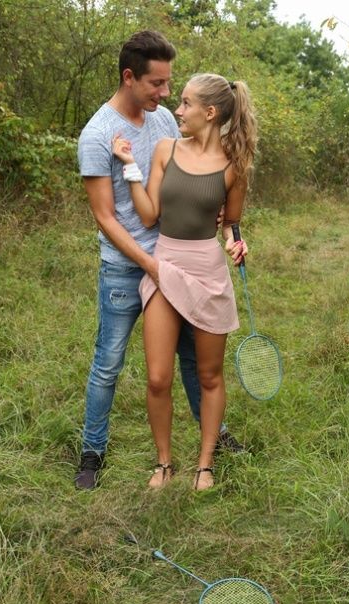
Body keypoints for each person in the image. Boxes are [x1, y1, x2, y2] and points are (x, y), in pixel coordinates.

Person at [75, 31, 246, 491]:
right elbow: (106, 217)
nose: (167, 95)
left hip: (179, 260)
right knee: (110, 362)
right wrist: (151, 266)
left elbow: (192, 178)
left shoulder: (165, 122)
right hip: (128, 266)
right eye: (158, 83)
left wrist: (218, 219)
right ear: (130, 78)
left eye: (172, 85)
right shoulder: (97, 136)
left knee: (195, 361)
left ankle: (212, 444)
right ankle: (93, 452)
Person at [112, 72, 257, 490]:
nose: (177, 109)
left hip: (207, 273)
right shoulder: (166, 149)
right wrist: (130, 167)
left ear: (209, 113)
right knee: (158, 377)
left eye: (186, 103)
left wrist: (236, 242)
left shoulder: (234, 166)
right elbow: (148, 216)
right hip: (165, 267)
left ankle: (205, 464)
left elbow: (231, 223)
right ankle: (164, 463)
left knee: (209, 376)